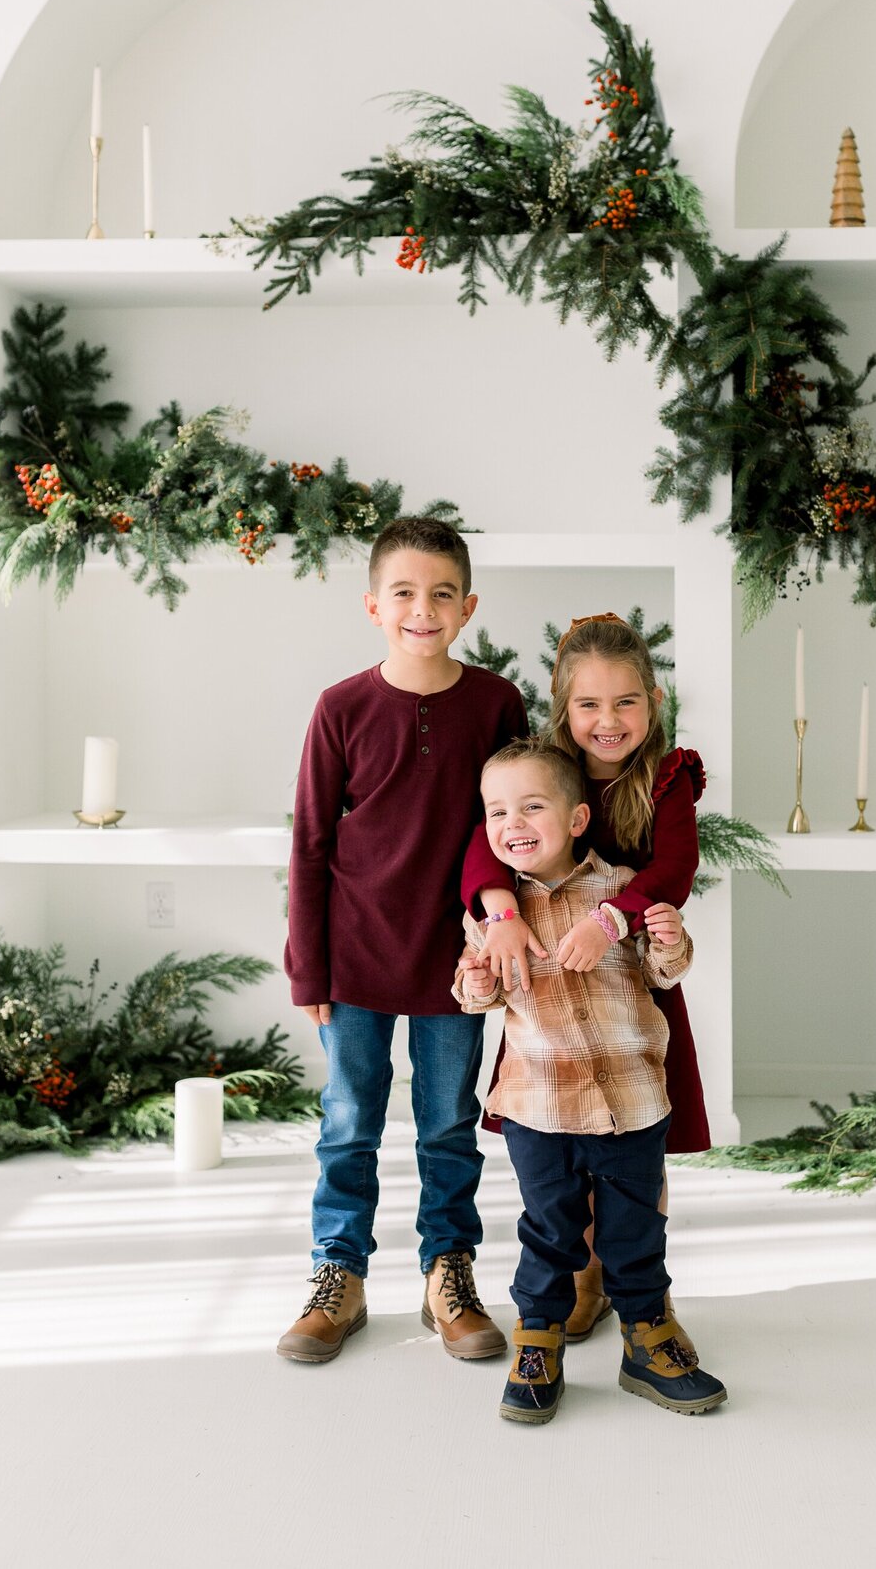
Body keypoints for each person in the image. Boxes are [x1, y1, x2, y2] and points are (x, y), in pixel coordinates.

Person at [276, 516, 526, 1366]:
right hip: (353, 957)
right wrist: (307, 961)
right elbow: (310, 841)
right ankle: (336, 1276)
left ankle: (446, 1275)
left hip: (455, 962)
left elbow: (510, 828)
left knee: (448, 1124)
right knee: (348, 1122)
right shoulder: (340, 707)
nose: (424, 609)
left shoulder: (496, 704)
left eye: (442, 594)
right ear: (375, 605)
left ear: (468, 608)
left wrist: (500, 927)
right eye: (406, 594)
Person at [456, 736, 727, 1424]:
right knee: (550, 1231)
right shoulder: (496, 914)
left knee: (635, 1230)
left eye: (532, 807)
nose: (512, 825)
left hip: (631, 1100)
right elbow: (476, 996)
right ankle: (538, 1342)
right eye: (497, 814)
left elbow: (663, 976)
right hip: (538, 1107)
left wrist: (669, 942)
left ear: (578, 820)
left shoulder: (621, 894)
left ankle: (647, 1338)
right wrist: (478, 976)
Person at [462, 613, 710, 1343]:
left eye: (625, 702)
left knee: (638, 1137)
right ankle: (582, 1276)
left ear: (654, 702)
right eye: (589, 704)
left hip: (631, 989)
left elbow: (673, 869)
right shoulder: (536, 775)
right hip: (547, 998)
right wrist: (502, 911)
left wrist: (613, 922)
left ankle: (644, 1295)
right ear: (562, 707)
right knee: (563, 1134)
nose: (608, 721)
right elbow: (481, 841)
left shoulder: (665, 780)